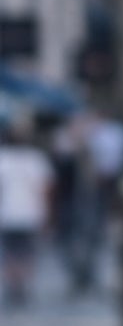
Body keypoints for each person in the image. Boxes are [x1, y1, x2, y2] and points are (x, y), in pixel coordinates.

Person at [0, 119, 53, 308]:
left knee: (10, 252)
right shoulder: (36, 159)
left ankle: (13, 286)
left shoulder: (3, 159)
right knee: (26, 253)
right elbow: (46, 190)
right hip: (30, 213)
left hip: (8, 214)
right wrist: (47, 215)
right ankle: (21, 286)